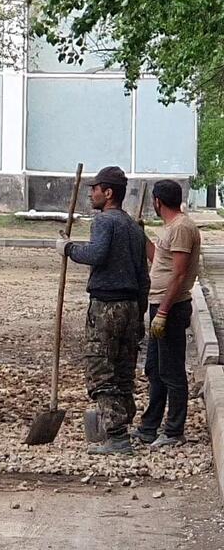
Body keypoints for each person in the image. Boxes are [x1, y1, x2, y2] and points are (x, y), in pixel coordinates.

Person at [56, 166, 149, 454]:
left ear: (108, 193)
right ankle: (123, 428)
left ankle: (117, 435)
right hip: (131, 306)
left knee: (101, 369)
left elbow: (96, 254)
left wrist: (68, 248)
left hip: (107, 306)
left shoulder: (105, 222)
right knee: (123, 370)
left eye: (94, 189)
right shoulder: (134, 227)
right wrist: (141, 313)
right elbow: (143, 275)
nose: (90, 194)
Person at [131, 180, 201, 448]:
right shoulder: (171, 228)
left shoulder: (182, 227)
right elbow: (158, 259)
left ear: (157, 201)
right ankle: (150, 426)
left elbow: (179, 273)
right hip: (160, 304)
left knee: (171, 371)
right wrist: (143, 237)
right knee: (155, 369)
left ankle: (174, 431)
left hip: (170, 306)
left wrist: (162, 311)